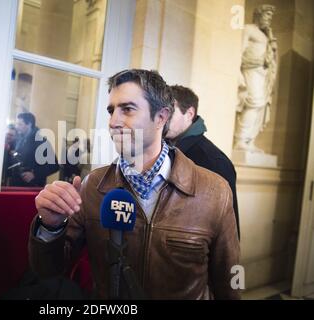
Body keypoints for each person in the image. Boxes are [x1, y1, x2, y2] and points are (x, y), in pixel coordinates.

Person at [29, 69, 240, 299]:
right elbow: (48, 270)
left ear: (161, 117)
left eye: (127, 109)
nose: (113, 122)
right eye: (111, 110)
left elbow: (230, 282)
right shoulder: (92, 186)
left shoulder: (214, 191)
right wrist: (50, 227)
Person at [166, 85, 240, 239]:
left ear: (190, 114)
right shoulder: (158, 151)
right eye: (161, 111)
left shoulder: (214, 161)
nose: (162, 118)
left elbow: (228, 232)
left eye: (170, 112)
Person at [234, 4, 277, 152]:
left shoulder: (266, 35)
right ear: (258, 14)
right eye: (267, 15)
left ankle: (249, 141)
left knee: (260, 107)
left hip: (263, 73)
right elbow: (239, 50)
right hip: (250, 70)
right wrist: (238, 73)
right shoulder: (248, 29)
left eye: (271, 17)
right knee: (253, 102)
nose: (269, 19)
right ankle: (240, 139)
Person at [13, 113, 59, 187]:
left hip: (33, 187)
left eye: (20, 124)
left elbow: (54, 166)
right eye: (16, 124)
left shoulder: (41, 142)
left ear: (29, 124)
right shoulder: (20, 139)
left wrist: (34, 174)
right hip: (18, 185)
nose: (16, 127)